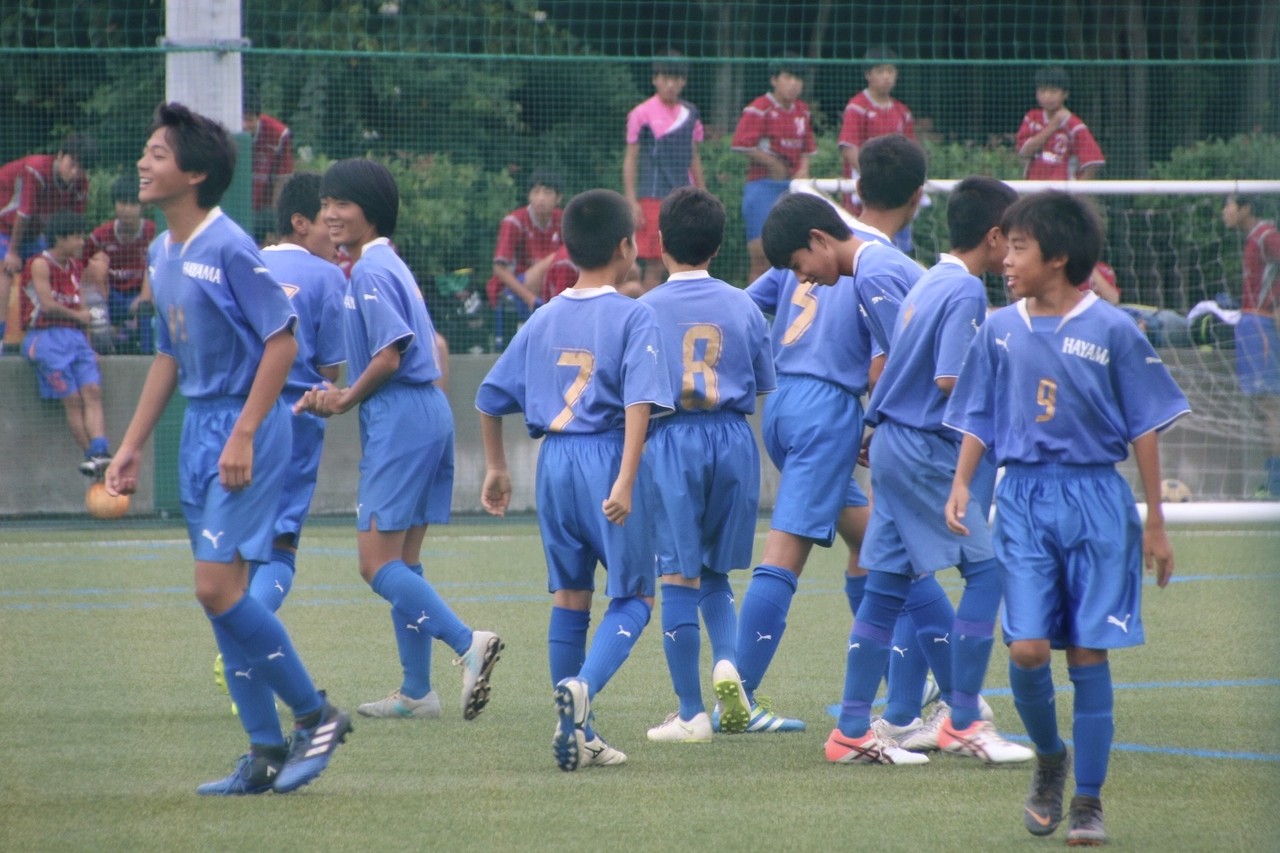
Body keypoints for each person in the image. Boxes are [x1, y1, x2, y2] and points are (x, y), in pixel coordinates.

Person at [106, 103, 349, 795]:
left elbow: (284, 340)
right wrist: (129, 446)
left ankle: (316, 714)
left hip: (249, 426)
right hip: (200, 426)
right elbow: (166, 356)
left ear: (196, 172)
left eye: (157, 153)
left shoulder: (231, 245)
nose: (144, 163)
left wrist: (244, 430)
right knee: (226, 596)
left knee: (213, 585)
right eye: (147, 151)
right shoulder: (162, 250)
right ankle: (264, 749)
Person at [944, 191, 1189, 844]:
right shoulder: (998, 328)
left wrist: (1156, 521)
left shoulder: (1112, 328)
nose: (1006, 259)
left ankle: (1087, 801)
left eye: (1019, 247)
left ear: (1058, 256)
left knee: (1087, 651)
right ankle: (1050, 755)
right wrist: (963, 481)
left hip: (1096, 501)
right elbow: (980, 411)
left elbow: (1144, 424)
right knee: (1025, 647)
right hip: (1022, 497)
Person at [824, 177, 1033, 766]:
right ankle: (962, 719)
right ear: (994, 239)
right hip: (923, 450)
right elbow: (950, 381)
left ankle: (849, 730)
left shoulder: (931, 278)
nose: (1015, 254)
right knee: (988, 573)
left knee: (887, 584)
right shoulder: (964, 291)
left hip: (892, 442)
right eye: (1013, 242)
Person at [295, 158, 503, 723]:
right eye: (327, 204)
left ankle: (467, 643)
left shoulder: (366, 271)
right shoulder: (388, 263)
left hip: (400, 415)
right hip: (427, 410)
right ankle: (417, 691)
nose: (331, 214)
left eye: (343, 203)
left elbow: (391, 354)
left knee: (373, 562)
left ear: (372, 210)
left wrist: (341, 398)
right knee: (403, 561)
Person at [476, 188, 673, 770]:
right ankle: (584, 690)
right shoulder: (635, 313)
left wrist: (496, 465)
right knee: (635, 596)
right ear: (625, 246)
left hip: (553, 464)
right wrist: (627, 479)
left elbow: (489, 398)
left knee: (569, 595)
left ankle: (578, 731)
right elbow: (639, 400)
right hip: (608, 456)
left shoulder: (543, 317)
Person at [728, 191, 923, 734]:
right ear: (917, 197)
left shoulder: (811, 244)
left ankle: (900, 672)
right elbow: (891, 353)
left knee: (875, 541)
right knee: (788, 549)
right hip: (826, 409)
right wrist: (876, 419)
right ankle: (738, 694)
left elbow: (747, 303)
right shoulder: (873, 262)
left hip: (781, 402)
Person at [637, 187, 776, 742]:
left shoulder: (644, 309)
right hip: (733, 438)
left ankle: (691, 712)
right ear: (719, 245)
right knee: (717, 571)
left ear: (661, 242)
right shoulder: (743, 303)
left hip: (672, 441)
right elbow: (764, 383)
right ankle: (728, 666)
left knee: (676, 573)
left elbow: (637, 395)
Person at [212, 172, 348, 714]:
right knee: (282, 549)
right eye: (328, 221)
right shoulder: (327, 276)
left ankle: (239, 645)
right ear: (300, 221)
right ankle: (245, 650)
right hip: (292, 420)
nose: (336, 236)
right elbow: (330, 367)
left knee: (238, 550)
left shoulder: (242, 261)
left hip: (235, 416)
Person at [18, 210, 112, 477]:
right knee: (71, 399)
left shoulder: (75, 267)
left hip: (75, 338)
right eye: (77, 237)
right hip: (45, 337)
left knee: (92, 391)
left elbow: (82, 308)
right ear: (61, 238)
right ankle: (92, 456)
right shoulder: (39, 264)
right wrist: (77, 315)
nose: (82, 242)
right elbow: (47, 305)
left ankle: (101, 449)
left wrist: (89, 344)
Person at [1, 134, 95, 350]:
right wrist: (13, 252)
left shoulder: (81, 186)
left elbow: (72, 227)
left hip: (33, 234)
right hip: (5, 226)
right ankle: (1, 336)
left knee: (55, 265)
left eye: (81, 168)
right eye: (72, 164)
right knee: (6, 268)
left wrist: (73, 261)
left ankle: (55, 330)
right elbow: (23, 214)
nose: (75, 173)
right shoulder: (36, 170)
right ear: (60, 156)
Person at [623, 51, 706, 293]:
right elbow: (631, 159)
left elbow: (694, 156)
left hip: (684, 199)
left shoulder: (691, 113)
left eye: (676, 79)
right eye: (665, 78)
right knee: (654, 264)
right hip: (652, 197)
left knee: (683, 262)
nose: (670, 84)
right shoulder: (641, 114)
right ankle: (649, 321)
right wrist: (631, 200)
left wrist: (703, 194)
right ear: (655, 79)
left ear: (683, 81)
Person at [731, 56, 817, 283]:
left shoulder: (802, 111)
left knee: (795, 256)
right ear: (774, 80)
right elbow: (741, 143)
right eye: (788, 77)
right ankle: (756, 316)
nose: (794, 84)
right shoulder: (759, 108)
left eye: (798, 78)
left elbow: (808, 149)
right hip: (762, 186)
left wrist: (803, 169)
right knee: (760, 256)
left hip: (793, 189)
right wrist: (772, 163)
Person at [1221, 193, 1280, 498]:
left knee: (1270, 406)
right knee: (1264, 406)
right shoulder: (1254, 238)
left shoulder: (1266, 236)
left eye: (1229, 205)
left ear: (1246, 208)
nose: (1224, 212)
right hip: (1251, 322)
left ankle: (1276, 483)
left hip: (1261, 324)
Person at [838, 47, 916, 252]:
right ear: (868, 74)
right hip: (865, 198)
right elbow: (849, 149)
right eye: (881, 71)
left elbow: (911, 153)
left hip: (897, 197)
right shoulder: (857, 107)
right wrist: (877, 178)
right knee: (863, 253)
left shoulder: (902, 112)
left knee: (900, 254)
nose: (887, 77)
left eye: (891, 71)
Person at [485, 169, 564, 348]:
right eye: (536, 192)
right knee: (555, 258)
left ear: (558, 198)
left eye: (547, 192)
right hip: (512, 289)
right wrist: (529, 297)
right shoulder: (514, 222)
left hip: (547, 289)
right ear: (529, 196)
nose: (541, 198)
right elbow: (499, 269)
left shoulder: (563, 220)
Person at [85, 174, 157, 354]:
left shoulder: (153, 232)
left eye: (132, 203)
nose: (126, 209)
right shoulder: (100, 236)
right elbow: (82, 269)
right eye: (121, 202)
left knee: (147, 308)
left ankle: (145, 358)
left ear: (142, 206)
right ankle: (103, 348)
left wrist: (144, 298)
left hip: (140, 296)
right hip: (110, 296)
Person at [1016, 67, 1105, 182]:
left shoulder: (1075, 125)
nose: (1047, 96)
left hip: (1062, 190)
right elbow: (1024, 151)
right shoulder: (1032, 118)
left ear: (1065, 94)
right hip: (1034, 189)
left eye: (1053, 91)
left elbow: (1093, 161)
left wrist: (1078, 190)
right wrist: (1053, 126)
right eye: (1043, 91)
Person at [243, 86, 295, 244]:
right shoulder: (222, 133)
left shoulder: (278, 134)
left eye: (249, 118)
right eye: (240, 118)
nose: (244, 125)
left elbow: (282, 181)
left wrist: (274, 225)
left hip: (262, 211)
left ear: (258, 117)